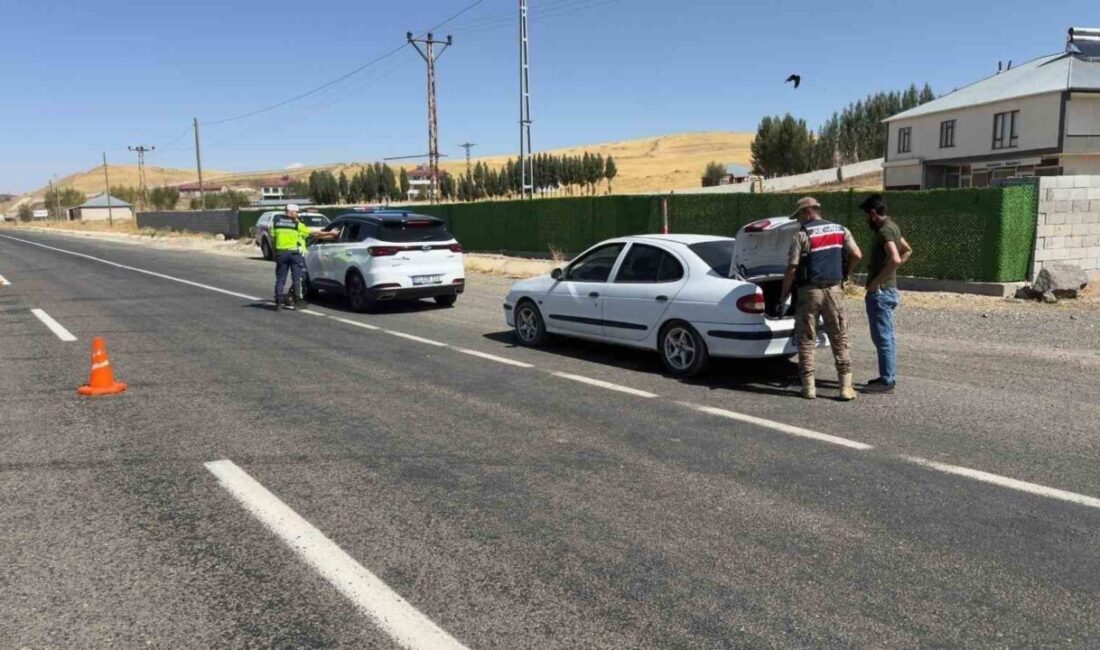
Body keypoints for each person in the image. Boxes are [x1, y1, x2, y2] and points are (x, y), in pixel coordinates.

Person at [779, 196, 863, 400]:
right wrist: (844, 273)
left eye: (799, 215)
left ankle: (808, 387)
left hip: (809, 292)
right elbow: (857, 254)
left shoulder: (801, 235)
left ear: (808, 212)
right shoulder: (841, 229)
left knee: (806, 339)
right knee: (839, 336)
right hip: (834, 290)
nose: (798, 220)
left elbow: (792, 268)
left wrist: (784, 294)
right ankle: (845, 387)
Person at [859, 194, 912, 394]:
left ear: (873, 213)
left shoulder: (884, 231)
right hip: (887, 290)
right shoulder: (893, 227)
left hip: (881, 293)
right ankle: (885, 376)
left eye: (866, 215)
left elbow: (895, 258)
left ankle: (887, 379)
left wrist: (876, 282)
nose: (866, 219)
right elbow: (907, 251)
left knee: (882, 337)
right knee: (885, 336)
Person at [271, 205, 334, 311]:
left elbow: (273, 239)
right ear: (291, 212)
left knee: (281, 278)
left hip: (281, 253)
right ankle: (298, 302)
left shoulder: (276, 222)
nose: (297, 214)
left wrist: (274, 254)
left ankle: (278, 302)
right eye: (296, 212)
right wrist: (331, 233)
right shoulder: (297, 224)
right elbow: (313, 233)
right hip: (294, 253)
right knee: (297, 278)